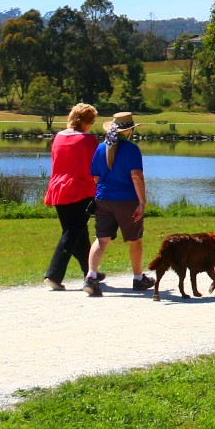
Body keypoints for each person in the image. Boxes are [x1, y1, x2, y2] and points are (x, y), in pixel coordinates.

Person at [84, 111, 152, 296]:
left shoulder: (100, 148)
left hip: (103, 199)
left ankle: (90, 276)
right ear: (129, 131)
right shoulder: (131, 149)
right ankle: (138, 279)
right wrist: (142, 202)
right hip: (127, 200)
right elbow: (136, 176)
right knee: (134, 239)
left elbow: (96, 177)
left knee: (101, 238)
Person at [42, 102, 98, 290]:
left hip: (58, 189)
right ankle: (53, 274)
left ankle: (90, 272)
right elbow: (95, 167)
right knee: (72, 232)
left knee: (79, 233)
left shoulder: (58, 137)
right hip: (80, 189)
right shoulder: (89, 140)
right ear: (87, 122)